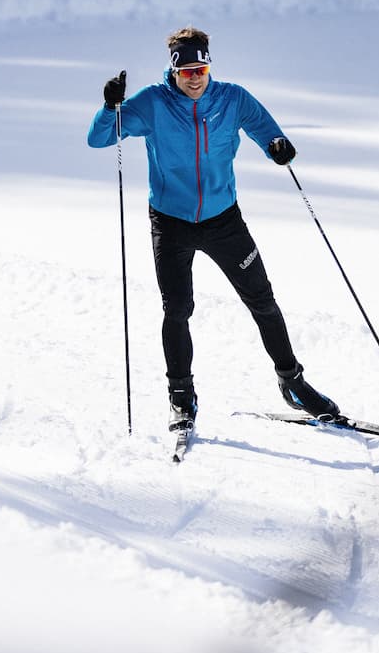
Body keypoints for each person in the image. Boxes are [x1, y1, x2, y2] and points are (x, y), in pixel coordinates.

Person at [87, 26, 343, 436]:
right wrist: (109, 107)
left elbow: (267, 129)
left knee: (262, 300)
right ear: (173, 71)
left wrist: (278, 146)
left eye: (200, 68)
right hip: (170, 223)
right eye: (186, 70)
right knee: (177, 310)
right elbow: (99, 138)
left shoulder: (232, 98)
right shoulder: (153, 102)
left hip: (224, 221)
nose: (194, 77)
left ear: (209, 65)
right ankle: (181, 398)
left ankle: (292, 383)